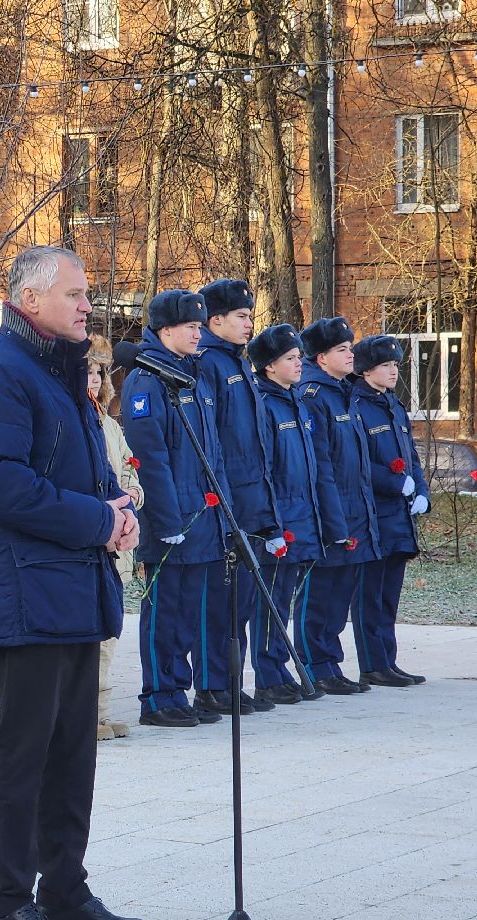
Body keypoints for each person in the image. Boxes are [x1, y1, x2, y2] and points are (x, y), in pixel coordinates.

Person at [0, 245, 147, 920]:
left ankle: (63, 889)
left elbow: (74, 472)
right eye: (74, 294)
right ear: (29, 300)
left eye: (87, 294)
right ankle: (8, 909)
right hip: (28, 594)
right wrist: (99, 521)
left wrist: (115, 508)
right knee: (25, 755)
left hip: (72, 588)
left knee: (72, 752)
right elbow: (0, 485)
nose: (87, 305)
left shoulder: (57, 372)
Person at [121, 289, 228, 728]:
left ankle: (178, 691)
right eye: (191, 327)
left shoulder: (191, 375)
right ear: (165, 330)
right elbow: (150, 457)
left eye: (200, 326)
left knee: (188, 612)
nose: (198, 333)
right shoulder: (147, 380)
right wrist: (165, 521)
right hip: (172, 522)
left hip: (202, 516)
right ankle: (159, 696)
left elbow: (211, 453)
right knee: (165, 611)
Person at [194, 280, 281, 716]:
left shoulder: (239, 363)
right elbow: (215, 443)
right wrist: (224, 502)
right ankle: (212, 685)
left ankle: (230, 682)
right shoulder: (209, 363)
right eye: (242, 317)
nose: (250, 323)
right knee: (221, 601)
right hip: (229, 501)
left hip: (252, 499)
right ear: (216, 321)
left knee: (242, 600)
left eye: (250, 316)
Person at [248, 324, 343, 705]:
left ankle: (280, 668)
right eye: (290, 358)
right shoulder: (265, 404)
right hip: (280, 518)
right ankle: (268, 674)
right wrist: (272, 521)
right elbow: (266, 468)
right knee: (270, 599)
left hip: (303, 515)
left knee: (284, 597)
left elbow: (312, 466)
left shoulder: (298, 402)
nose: (299, 363)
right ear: (270, 366)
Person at [293, 316, 382, 695]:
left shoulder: (344, 392)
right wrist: (333, 520)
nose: (351, 355)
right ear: (321, 358)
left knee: (340, 594)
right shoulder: (315, 396)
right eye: (342, 350)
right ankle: (315, 664)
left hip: (354, 510)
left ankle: (330, 663)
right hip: (332, 513)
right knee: (321, 593)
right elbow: (322, 466)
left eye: (350, 348)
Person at [351, 334, 430, 686]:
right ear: (367, 370)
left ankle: (388, 660)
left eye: (395, 365)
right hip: (373, 513)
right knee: (370, 593)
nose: (393, 371)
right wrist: (395, 484)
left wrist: (421, 491)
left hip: (398, 516)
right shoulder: (357, 405)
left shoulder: (393, 405)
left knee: (389, 596)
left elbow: (410, 456)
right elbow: (358, 462)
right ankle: (373, 663)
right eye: (385, 365)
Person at [86, 338, 142, 741]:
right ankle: (81, 715)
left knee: (109, 631)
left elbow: (128, 470)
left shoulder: (107, 422)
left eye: (99, 372)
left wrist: (133, 494)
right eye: (87, 370)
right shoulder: (72, 419)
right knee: (84, 634)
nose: (93, 379)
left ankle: (100, 715)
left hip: (120, 542)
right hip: (92, 538)